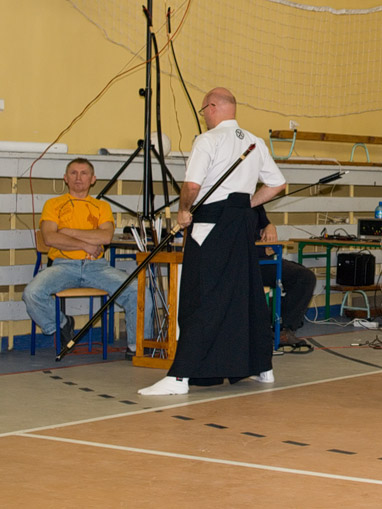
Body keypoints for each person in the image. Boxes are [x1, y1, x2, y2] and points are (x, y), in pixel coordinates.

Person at [139, 88, 286, 395]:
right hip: (240, 225)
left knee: (200, 297)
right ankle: (261, 367)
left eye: (204, 109)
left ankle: (180, 377)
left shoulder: (207, 140)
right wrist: (245, 205)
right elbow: (277, 184)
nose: (203, 115)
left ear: (214, 107)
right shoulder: (254, 141)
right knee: (242, 295)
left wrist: (182, 210)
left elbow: (192, 184)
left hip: (210, 224)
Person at [23, 158, 151, 357]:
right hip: (63, 266)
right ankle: (63, 324)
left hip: (96, 266)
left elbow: (105, 236)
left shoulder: (101, 207)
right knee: (32, 293)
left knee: (137, 291)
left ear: (93, 179)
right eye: (73, 173)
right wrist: (85, 244)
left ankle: (137, 348)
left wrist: (67, 231)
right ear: (65, 178)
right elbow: (49, 237)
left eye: (84, 173)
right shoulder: (53, 204)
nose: (78, 177)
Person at [255, 204, 316, 350]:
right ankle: (280, 327)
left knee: (303, 276)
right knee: (303, 277)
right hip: (247, 263)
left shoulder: (254, 204)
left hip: (264, 259)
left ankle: (280, 326)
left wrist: (269, 225)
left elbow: (265, 224)